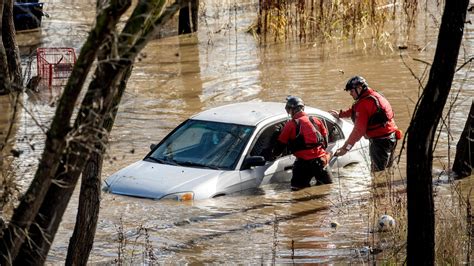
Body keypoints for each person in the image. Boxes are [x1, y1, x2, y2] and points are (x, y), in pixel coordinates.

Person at [330, 76, 401, 172]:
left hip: (380, 142)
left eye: (351, 91)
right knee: (387, 170)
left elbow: (358, 131)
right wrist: (340, 115)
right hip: (391, 137)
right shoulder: (374, 96)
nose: (350, 93)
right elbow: (355, 110)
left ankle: (379, 187)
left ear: (359, 88)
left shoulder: (364, 104)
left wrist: (345, 149)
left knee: (377, 173)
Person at [273, 96, 333, 191]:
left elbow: (280, 145)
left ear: (290, 110)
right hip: (321, 162)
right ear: (302, 108)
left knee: (296, 192)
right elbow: (325, 142)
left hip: (303, 164)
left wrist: (273, 156)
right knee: (326, 191)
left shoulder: (290, 125)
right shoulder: (316, 120)